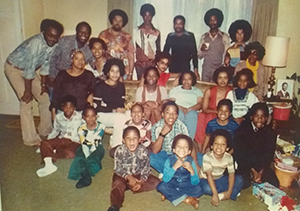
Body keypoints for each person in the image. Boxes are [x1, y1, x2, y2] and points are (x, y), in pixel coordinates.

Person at [4, 19, 63, 146]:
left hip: (29, 70)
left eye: (56, 37)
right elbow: (29, 70)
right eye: (50, 35)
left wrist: (43, 85)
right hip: (14, 68)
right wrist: (27, 91)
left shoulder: (54, 44)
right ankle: (30, 139)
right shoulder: (36, 43)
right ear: (43, 32)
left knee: (45, 98)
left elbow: (45, 64)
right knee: (26, 102)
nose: (52, 39)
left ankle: (45, 130)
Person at [107, 126, 160, 211]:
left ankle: (132, 186)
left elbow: (146, 168)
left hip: (138, 174)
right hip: (123, 175)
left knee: (156, 182)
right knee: (117, 184)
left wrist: (141, 182)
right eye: (128, 138)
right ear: (123, 141)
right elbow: (118, 168)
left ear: (139, 140)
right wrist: (129, 177)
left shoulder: (143, 151)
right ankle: (115, 205)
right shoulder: (119, 150)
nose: (131, 141)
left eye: (135, 138)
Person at [234, 103, 279, 189]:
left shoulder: (270, 133)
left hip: (261, 165)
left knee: (274, 184)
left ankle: (258, 177)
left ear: (266, 118)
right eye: (256, 116)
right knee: (243, 183)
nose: (259, 119)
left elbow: (269, 154)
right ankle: (250, 177)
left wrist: (261, 172)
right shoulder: (242, 130)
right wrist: (253, 170)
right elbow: (240, 153)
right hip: (246, 164)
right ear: (251, 117)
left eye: (263, 116)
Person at [150, 101, 202, 175]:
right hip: (165, 155)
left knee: (201, 157)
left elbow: (190, 144)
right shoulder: (156, 127)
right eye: (168, 113)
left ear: (177, 115)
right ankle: (177, 172)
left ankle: (172, 172)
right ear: (162, 114)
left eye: (174, 113)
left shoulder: (181, 126)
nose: (171, 116)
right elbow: (155, 151)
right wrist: (162, 134)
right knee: (151, 158)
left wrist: (196, 163)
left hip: (181, 154)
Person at [36, 95, 83, 177]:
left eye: (71, 107)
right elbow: (55, 130)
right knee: (44, 143)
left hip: (75, 141)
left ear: (75, 108)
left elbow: (87, 129)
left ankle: (51, 152)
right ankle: (49, 165)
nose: (68, 109)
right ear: (62, 107)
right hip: (62, 139)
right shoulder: (58, 117)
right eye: (66, 107)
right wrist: (49, 141)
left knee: (72, 154)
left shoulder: (80, 117)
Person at [156, 134, 203, 210]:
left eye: (185, 147)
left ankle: (169, 195)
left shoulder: (191, 161)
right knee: (161, 186)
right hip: (173, 183)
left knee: (199, 189)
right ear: (174, 150)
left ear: (189, 151)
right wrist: (174, 167)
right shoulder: (169, 160)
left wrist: (192, 171)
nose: (182, 148)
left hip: (186, 184)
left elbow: (195, 182)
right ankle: (187, 199)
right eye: (179, 146)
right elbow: (165, 179)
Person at [93, 58, 130, 150]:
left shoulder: (121, 86)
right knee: (120, 119)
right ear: (108, 72)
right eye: (112, 71)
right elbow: (96, 107)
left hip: (115, 115)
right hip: (101, 115)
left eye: (117, 71)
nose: (115, 74)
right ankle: (116, 146)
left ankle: (114, 140)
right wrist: (113, 110)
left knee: (130, 116)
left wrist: (122, 109)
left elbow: (120, 104)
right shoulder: (100, 86)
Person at [200, 129, 243, 207]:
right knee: (207, 189)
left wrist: (229, 192)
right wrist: (215, 194)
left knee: (239, 179)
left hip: (220, 178)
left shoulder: (229, 157)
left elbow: (231, 175)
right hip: (206, 179)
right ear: (212, 146)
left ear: (227, 148)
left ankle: (228, 194)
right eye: (216, 143)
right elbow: (209, 176)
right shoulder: (207, 157)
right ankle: (221, 194)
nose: (219, 146)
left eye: (223, 144)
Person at [50, 50, 95, 121]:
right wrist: (53, 113)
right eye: (77, 59)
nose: (80, 61)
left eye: (82, 59)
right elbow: (56, 94)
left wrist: (91, 95)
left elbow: (92, 89)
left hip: (81, 112)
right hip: (64, 112)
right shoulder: (62, 75)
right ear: (72, 60)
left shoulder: (89, 75)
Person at [194, 67, 231, 151]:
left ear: (228, 79)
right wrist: (216, 112)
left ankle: (208, 145)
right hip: (208, 112)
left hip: (224, 115)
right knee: (201, 116)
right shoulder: (209, 91)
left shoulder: (231, 92)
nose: (222, 80)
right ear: (216, 79)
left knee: (211, 118)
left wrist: (220, 113)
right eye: (220, 78)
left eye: (225, 78)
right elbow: (204, 108)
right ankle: (200, 146)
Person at [68, 106, 105, 188]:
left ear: (96, 116)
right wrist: (86, 155)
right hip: (85, 145)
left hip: (97, 146)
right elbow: (83, 143)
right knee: (79, 157)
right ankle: (84, 173)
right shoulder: (81, 129)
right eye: (87, 116)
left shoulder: (101, 126)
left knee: (94, 157)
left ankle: (86, 175)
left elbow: (97, 140)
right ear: (83, 118)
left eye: (93, 116)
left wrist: (90, 155)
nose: (91, 118)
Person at [99, 9, 134, 80]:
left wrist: (130, 74)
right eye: (115, 20)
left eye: (120, 21)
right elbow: (99, 54)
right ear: (112, 21)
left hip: (123, 73)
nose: (117, 22)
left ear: (123, 23)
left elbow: (131, 56)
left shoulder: (127, 37)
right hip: (107, 71)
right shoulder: (103, 35)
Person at [169, 72, 203, 139]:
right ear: (181, 80)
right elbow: (171, 102)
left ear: (192, 80)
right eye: (184, 79)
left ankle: (189, 140)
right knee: (179, 114)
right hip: (178, 109)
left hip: (192, 110)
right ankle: (176, 138)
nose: (186, 81)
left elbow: (200, 104)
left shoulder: (197, 91)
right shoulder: (175, 89)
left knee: (192, 114)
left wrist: (189, 109)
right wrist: (181, 108)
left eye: (189, 79)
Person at [198, 8, 229, 82]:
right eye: (210, 20)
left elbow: (227, 53)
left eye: (215, 20)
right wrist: (202, 49)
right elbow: (199, 56)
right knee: (205, 89)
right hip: (206, 69)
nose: (212, 22)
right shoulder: (204, 36)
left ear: (219, 21)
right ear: (208, 22)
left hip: (218, 69)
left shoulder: (224, 36)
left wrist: (224, 66)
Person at [163, 15, 199, 79]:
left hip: (185, 66)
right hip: (173, 67)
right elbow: (165, 52)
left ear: (184, 24)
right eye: (176, 23)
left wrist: (195, 69)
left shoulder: (189, 36)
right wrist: (164, 66)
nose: (178, 26)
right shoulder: (170, 36)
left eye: (180, 24)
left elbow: (194, 54)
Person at [134, 3, 161, 79]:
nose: (147, 18)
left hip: (151, 63)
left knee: (151, 82)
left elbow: (158, 49)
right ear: (142, 16)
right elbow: (135, 48)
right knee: (141, 83)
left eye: (149, 15)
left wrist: (154, 61)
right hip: (140, 64)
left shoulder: (156, 32)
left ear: (152, 16)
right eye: (145, 15)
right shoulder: (136, 31)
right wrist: (138, 60)